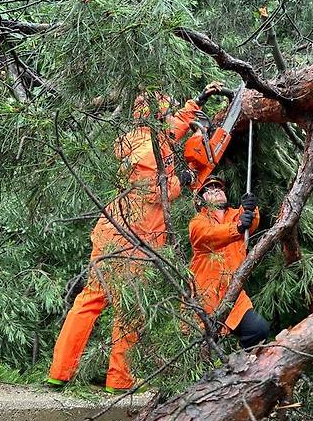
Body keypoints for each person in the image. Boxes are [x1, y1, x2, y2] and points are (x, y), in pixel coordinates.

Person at [48, 84, 221, 392]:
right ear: (156, 116)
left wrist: (198, 102)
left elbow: (172, 129)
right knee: (127, 308)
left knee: (90, 300)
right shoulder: (145, 150)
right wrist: (186, 177)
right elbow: (156, 190)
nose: (171, 119)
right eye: (166, 112)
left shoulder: (144, 136)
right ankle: (119, 379)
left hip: (115, 232)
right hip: (132, 238)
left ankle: (60, 372)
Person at [188, 175, 269, 349]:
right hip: (205, 299)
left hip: (234, 296)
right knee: (202, 351)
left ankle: (243, 368)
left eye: (218, 187)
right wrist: (237, 228)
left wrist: (251, 207)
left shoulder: (235, 215)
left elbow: (250, 221)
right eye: (208, 190)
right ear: (200, 201)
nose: (216, 190)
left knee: (258, 330)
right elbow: (210, 235)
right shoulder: (198, 223)